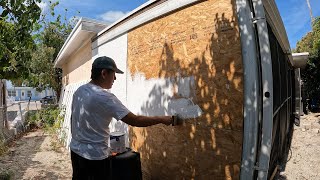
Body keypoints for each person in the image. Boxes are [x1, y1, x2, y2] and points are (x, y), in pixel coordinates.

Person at [70, 56, 174, 180]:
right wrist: (162, 119)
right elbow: (135, 120)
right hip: (95, 157)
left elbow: (74, 119)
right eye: (113, 74)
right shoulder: (104, 97)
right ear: (104, 73)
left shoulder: (80, 91)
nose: (115, 78)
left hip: (76, 152)